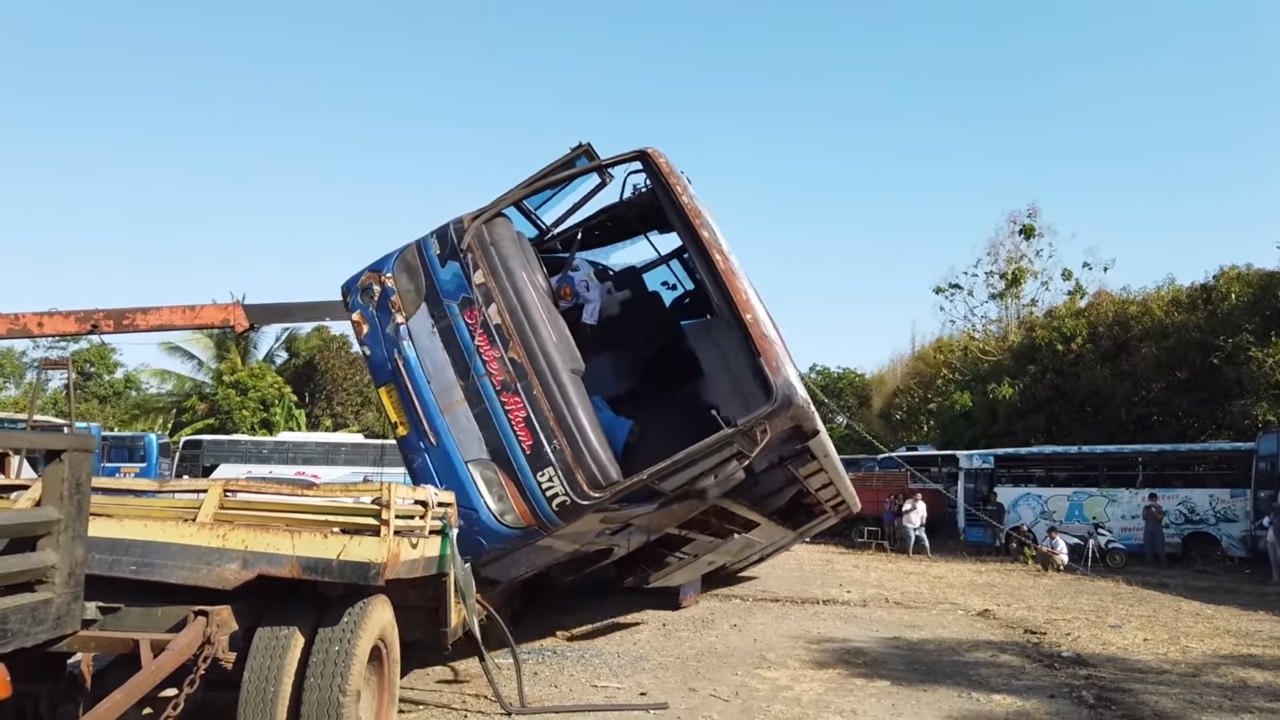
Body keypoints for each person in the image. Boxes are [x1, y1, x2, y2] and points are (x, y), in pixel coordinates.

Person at [900, 492, 931, 558]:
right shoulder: (908, 502)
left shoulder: (923, 504)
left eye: (919, 497)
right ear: (913, 496)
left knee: (924, 539)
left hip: (918, 525)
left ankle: (929, 554)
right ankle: (909, 554)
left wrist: (923, 523)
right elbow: (903, 512)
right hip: (908, 524)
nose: (917, 498)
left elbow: (924, 515)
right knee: (911, 538)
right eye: (916, 496)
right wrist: (912, 509)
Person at [1141, 492, 1168, 568]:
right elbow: (1144, 518)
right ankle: (1150, 563)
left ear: (1157, 499)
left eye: (1154, 499)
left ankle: (1163, 564)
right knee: (1148, 548)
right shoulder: (1146, 507)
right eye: (1151, 499)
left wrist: (1154, 511)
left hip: (1157, 530)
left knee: (1159, 548)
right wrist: (1147, 510)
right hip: (1148, 530)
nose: (1152, 501)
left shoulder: (1160, 508)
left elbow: (1159, 519)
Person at [1264, 507, 1280, 583]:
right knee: (1273, 560)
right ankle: (1276, 578)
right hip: (1270, 539)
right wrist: (1271, 517)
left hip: (1278, 540)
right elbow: (1265, 523)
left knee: (1278, 559)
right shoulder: (1271, 518)